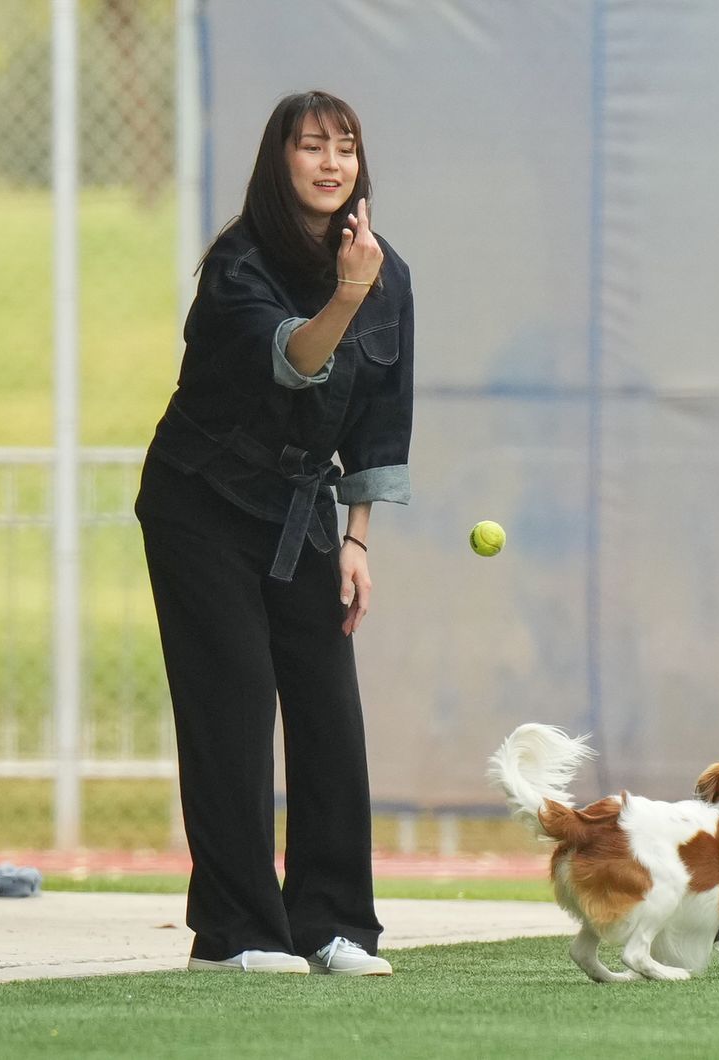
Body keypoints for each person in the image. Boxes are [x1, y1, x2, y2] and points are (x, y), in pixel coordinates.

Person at [135, 90, 413, 976]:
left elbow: (378, 420)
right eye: (311, 146)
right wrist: (347, 292)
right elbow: (298, 360)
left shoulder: (385, 271)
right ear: (278, 159)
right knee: (235, 710)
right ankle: (235, 934)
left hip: (303, 513)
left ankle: (332, 924)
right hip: (200, 504)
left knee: (330, 712)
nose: (332, 163)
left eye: (346, 146)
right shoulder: (239, 263)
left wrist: (358, 541)